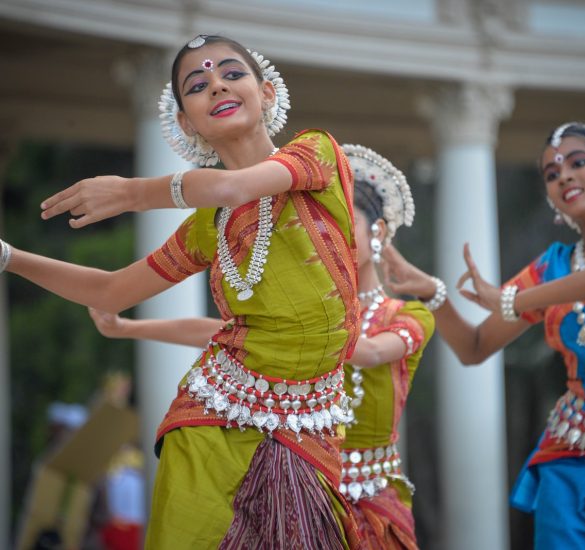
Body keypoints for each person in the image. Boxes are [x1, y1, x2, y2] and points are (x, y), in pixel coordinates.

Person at [1, 34, 361, 549]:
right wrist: (9, 257)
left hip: (311, 425)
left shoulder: (316, 154)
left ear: (267, 93)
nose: (217, 84)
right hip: (213, 417)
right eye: (198, 84)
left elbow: (233, 186)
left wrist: (130, 192)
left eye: (231, 74)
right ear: (188, 122)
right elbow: (111, 290)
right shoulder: (208, 225)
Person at [88, 144, 437, 549]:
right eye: (324, 225)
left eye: (345, 223)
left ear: (376, 233)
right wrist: (131, 327)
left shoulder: (408, 316)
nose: (332, 234)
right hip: (310, 476)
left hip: (374, 503)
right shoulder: (299, 314)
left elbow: (373, 353)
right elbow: (218, 331)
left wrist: (299, 325)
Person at [382, 122, 585, 548]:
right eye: (551, 173)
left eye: (578, 162)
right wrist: (434, 294)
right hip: (571, 460)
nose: (563, 175)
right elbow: (474, 347)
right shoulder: (552, 269)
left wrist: (510, 300)